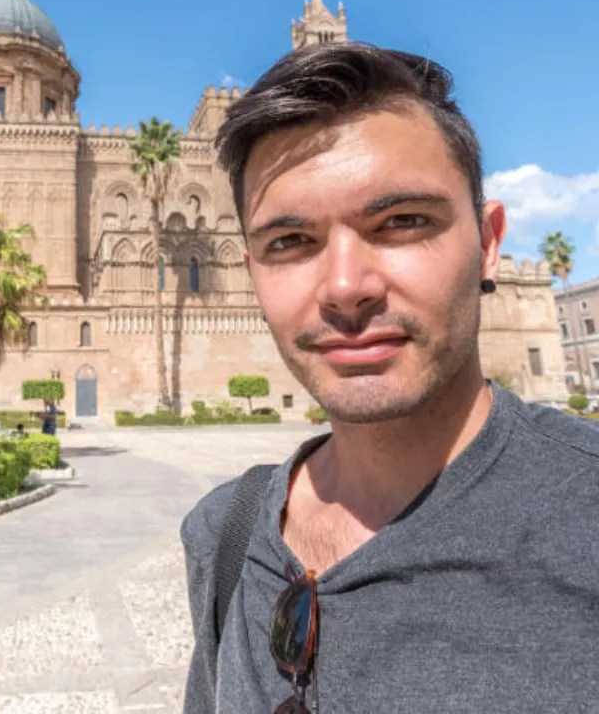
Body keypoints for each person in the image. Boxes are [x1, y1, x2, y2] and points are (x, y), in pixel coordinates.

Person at [180, 43, 599, 713]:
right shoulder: (223, 535)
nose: (346, 288)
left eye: (402, 222)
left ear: (489, 244)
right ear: (250, 266)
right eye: (289, 241)